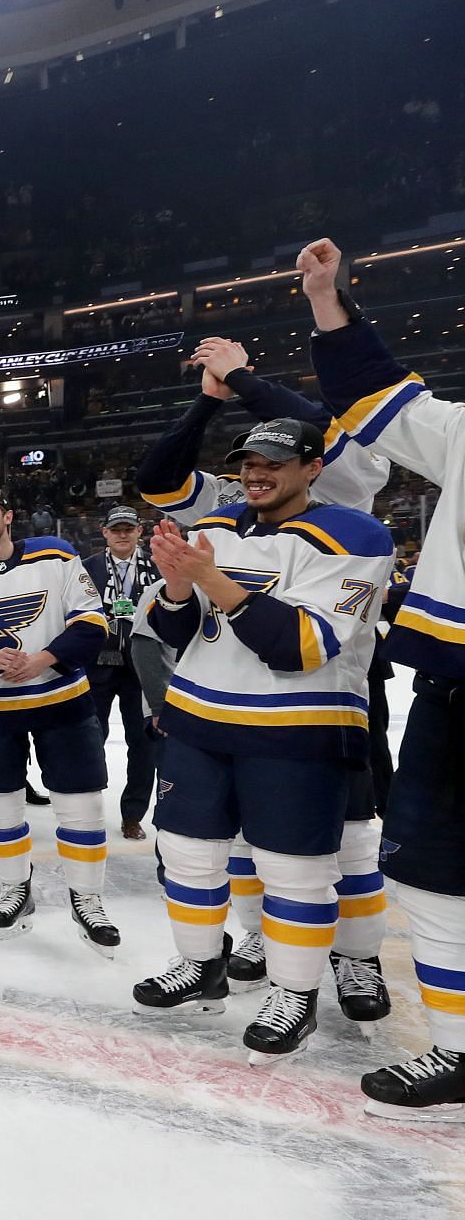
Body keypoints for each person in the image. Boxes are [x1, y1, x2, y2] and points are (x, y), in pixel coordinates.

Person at [136, 334, 395, 1001]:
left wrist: (244, 377)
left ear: (315, 464)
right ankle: (251, 941)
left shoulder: (357, 489)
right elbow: (158, 482)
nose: (256, 472)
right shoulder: (223, 522)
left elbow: (299, 645)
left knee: (343, 845)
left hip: (325, 701)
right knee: (231, 845)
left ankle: (354, 958)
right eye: (248, 460)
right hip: (216, 713)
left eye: (274, 459)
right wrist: (207, 401)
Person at [291, 236, 465, 1112]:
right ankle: (460, 1047)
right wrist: (329, 298)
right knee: (431, 871)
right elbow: (378, 400)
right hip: (453, 692)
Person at [0, 485, 118, 951]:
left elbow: (92, 618)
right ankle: (15, 886)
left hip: (63, 700)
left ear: (8, 516)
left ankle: (87, 897)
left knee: (81, 805)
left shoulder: (56, 554)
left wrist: (44, 659)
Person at [81, 505, 161, 840]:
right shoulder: (87, 568)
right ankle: (87, 808)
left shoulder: (156, 567)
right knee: (89, 740)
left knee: (142, 743)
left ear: (140, 531)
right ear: (105, 532)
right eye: (117, 529)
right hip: (99, 662)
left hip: (142, 668)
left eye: (129, 528)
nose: (123, 534)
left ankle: (133, 815)